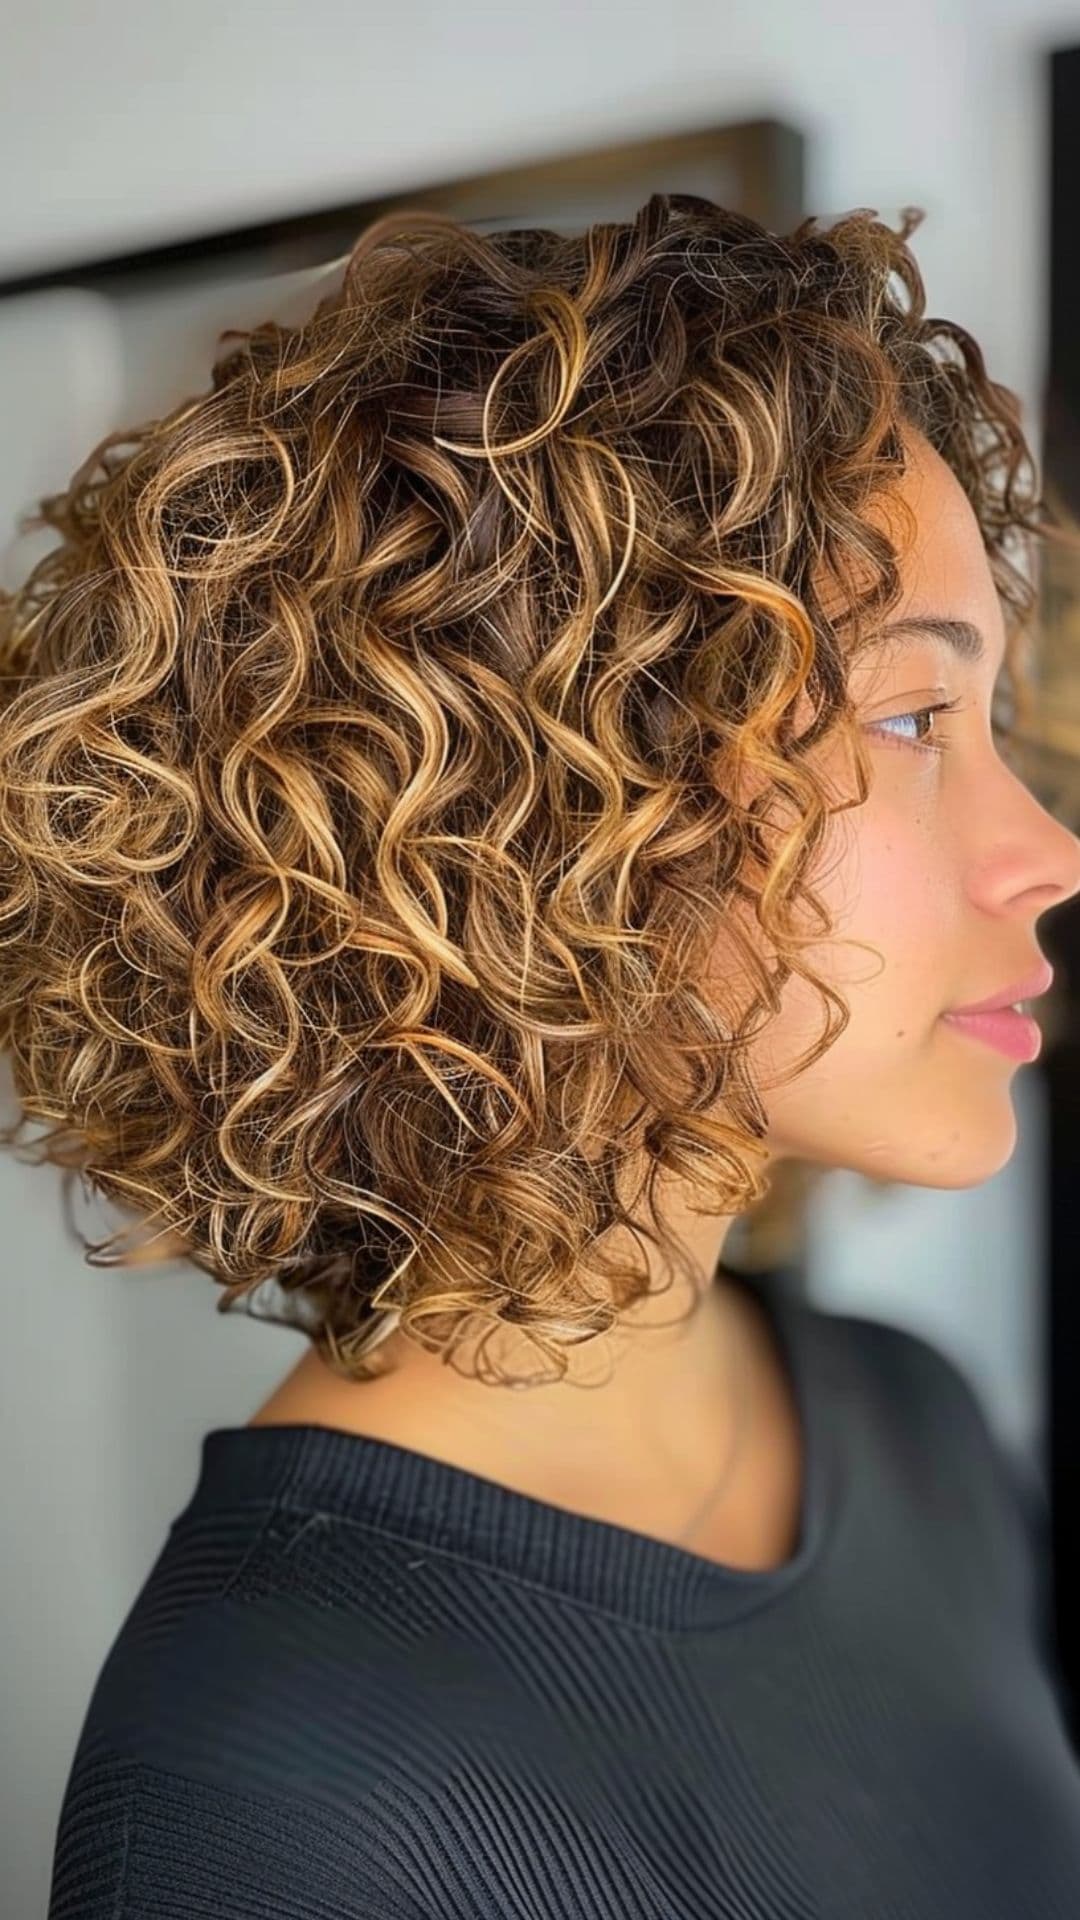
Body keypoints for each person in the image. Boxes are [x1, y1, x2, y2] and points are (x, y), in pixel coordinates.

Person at [5, 192, 1080, 1918]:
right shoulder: (268, 1789)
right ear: (567, 806)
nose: (1052, 848)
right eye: (911, 715)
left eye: (992, 717)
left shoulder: (913, 1429)